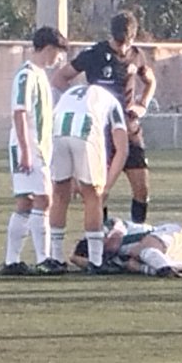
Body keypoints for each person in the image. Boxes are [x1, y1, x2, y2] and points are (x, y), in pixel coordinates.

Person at [53, 12, 157, 223]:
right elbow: (60, 78)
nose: (122, 48)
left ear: (133, 38)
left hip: (128, 128)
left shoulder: (137, 56)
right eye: (118, 43)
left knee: (142, 188)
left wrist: (143, 104)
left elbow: (150, 81)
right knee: (99, 189)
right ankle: (100, 240)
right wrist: (79, 102)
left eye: (126, 43)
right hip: (100, 131)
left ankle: (137, 233)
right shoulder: (94, 54)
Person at [1, 27, 70, 276]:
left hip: (36, 147)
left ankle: (12, 260)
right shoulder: (26, 75)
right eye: (58, 53)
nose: (59, 59)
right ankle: (43, 258)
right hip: (28, 146)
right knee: (43, 199)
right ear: (49, 48)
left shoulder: (39, 74)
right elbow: (19, 112)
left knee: (26, 202)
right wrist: (26, 150)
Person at [48, 84, 129, 273]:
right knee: (93, 196)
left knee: (60, 194)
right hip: (85, 126)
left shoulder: (72, 90)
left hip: (57, 126)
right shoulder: (113, 103)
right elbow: (122, 149)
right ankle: (96, 260)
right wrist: (107, 186)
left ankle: (55, 257)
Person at [68, 217, 182, 278]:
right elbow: (74, 258)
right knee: (137, 263)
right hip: (176, 254)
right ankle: (179, 267)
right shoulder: (113, 260)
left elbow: (116, 222)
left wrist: (114, 232)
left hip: (173, 235)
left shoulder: (110, 230)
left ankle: (170, 268)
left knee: (142, 251)